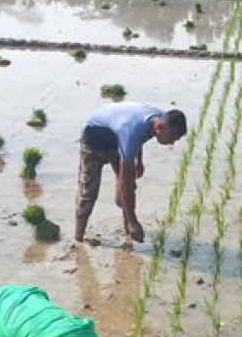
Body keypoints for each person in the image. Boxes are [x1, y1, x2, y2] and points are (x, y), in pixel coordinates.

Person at [76, 102, 188, 244]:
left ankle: (128, 232)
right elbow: (125, 181)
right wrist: (134, 221)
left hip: (116, 140)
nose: (172, 143)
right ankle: (78, 240)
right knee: (89, 193)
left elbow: (139, 137)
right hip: (94, 139)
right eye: (172, 138)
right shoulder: (132, 131)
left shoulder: (160, 119)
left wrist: (139, 160)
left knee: (127, 190)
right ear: (160, 127)